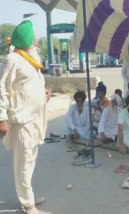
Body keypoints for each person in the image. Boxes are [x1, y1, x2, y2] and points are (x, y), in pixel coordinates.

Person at [0, 21, 50, 214]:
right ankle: (29, 205)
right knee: (23, 162)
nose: (36, 42)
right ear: (28, 40)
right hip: (22, 120)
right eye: (34, 39)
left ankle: (26, 197)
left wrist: (43, 95)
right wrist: (1, 118)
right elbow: (2, 88)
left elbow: (28, 86)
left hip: (35, 119)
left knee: (30, 161)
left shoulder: (30, 60)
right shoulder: (12, 59)